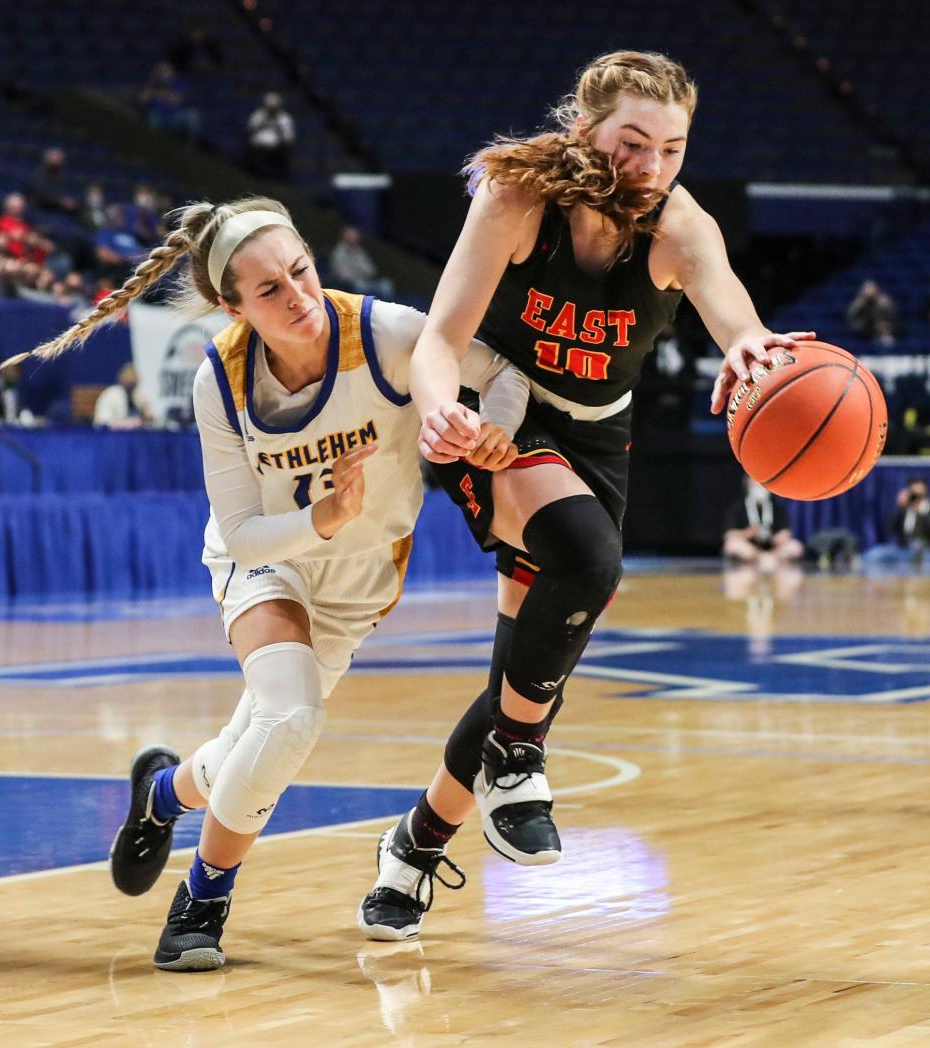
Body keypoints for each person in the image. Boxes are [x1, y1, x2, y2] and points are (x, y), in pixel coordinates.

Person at [2, 196, 528, 970]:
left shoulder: (387, 333)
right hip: (266, 561)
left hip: (358, 578)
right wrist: (322, 516)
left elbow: (503, 371)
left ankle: (164, 794)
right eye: (270, 291)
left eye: (301, 271)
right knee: (289, 720)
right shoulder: (219, 377)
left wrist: (495, 431)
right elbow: (245, 533)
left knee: (254, 743)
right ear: (233, 306)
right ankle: (203, 900)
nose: (298, 296)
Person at [357, 49, 814, 941]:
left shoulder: (682, 228)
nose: (650, 167)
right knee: (589, 559)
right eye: (632, 143)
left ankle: (417, 843)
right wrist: (441, 409)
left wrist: (755, 347)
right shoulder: (517, 200)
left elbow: (732, 309)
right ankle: (521, 759)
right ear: (585, 130)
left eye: (671, 150)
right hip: (498, 408)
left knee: (520, 673)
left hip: (600, 434)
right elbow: (440, 339)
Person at [722, 476, 803, 569]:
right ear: (747, 487)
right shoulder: (738, 507)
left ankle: (768, 559)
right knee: (732, 545)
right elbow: (729, 534)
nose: (759, 488)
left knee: (795, 546)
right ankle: (760, 558)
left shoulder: (777, 507)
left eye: (761, 485)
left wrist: (778, 538)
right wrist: (747, 533)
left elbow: (785, 532)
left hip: (773, 550)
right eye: (755, 485)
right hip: (750, 548)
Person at [328, 226, 394, 297]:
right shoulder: (338, 252)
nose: (354, 238)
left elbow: (371, 270)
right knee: (359, 285)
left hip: (366, 281)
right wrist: (360, 271)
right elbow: (344, 275)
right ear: (344, 237)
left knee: (386, 284)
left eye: (355, 236)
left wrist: (357, 258)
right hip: (352, 283)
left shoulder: (360, 251)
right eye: (350, 236)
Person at [245, 92, 296, 179]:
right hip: (258, 147)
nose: (272, 109)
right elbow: (250, 128)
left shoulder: (284, 118)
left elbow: (289, 138)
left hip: (276, 149)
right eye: (270, 106)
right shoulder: (259, 115)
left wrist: (280, 133)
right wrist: (263, 122)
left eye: (274, 107)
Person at [93, 362, 152, 428]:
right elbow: (103, 423)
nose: (132, 382)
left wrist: (145, 414)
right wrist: (131, 423)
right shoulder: (111, 395)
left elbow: (150, 419)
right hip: (111, 435)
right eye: (129, 380)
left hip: (135, 435)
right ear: (122, 379)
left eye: (134, 382)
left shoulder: (139, 396)